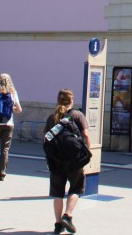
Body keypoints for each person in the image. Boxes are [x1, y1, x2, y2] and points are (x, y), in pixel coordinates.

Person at [44, 89, 90, 234]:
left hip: (56, 160)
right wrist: (87, 154)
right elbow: (86, 136)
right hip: (74, 160)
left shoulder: (52, 117)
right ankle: (67, 215)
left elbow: (45, 138)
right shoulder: (77, 115)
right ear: (71, 100)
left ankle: (58, 225)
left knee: (57, 192)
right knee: (76, 188)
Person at [0, 73, 23, 181]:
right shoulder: (13, 93)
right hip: (8, 123)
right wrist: (12, 109)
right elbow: (19, 110)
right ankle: (2, 173)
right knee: (5, 149)